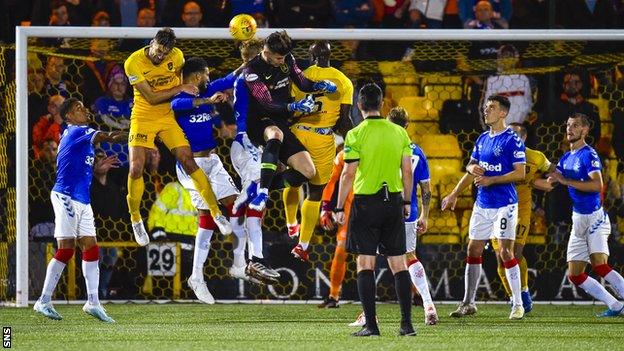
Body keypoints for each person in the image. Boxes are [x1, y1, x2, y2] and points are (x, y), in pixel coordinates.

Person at [171, 56, 269, 303]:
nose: (208, 77)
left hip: (213, 161)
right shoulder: (177, 96)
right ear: (196, 75)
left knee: (238, 206)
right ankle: (196, 277)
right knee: (206, 219)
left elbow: (230, 78)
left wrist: (252, 59)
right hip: (190, 165)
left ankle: (239, 264)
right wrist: (208, 100)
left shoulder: (209, 88)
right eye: (206, 73)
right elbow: (179, 106)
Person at [123, 27, 231, 248]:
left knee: (188, 159)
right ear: (152, 42)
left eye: (165, 53)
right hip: (143, 117)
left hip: (167, 117)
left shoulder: (177, 56)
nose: (160, 56)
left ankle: (216, 212)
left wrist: (202, 98)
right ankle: (136, 219)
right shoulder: (133, 63)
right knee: (136, 167)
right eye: (158, 50)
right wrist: (181, 88)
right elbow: (152, 98)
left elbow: (186, 88)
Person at [33, 97, 127, 322]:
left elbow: (76, 166)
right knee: (66, 249)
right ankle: (43, 300)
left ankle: (93, 302)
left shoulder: (79, 138)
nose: (84, 110)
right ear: (68, 117)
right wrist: (137, 129)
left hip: (83, 200)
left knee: (91, 247)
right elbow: (110, 136)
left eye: (83, 106)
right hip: (66, 195)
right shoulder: (77, 131)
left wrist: (96, 169)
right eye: (78, 108)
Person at [333, 83, 415, 337]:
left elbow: (348, 174)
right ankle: (406, 325)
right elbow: (408, 171)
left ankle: (371, 325)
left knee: (365, 264)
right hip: (393, 201)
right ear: (382, 104)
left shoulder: (355, 134)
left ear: (359, 105)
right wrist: (406, 202)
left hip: (366, 204)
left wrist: (338, 206)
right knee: (399, 264)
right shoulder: (399, 133)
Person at [345, 106, 439, 327]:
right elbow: (426, 188)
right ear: (407, 126)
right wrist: (425, 215)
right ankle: (428, 305)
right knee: (409, 257)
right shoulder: (417, 151)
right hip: (408, 210)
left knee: (367, 261)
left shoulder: (378, 143)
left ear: (387, 122)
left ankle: (369, 316)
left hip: (377, 207)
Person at [441, 95, 526, 320]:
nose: (486, 111)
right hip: (482, 204)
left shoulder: (512, 140)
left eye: (491, 108)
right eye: (486, 107)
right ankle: (468, 303)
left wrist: (491, 180)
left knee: (506, 252)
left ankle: (517, 304)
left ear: (503, 113)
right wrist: (453, 194)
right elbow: (472, 168)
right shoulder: (482, 138)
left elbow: (521, 173)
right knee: (473, 250)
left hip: (505, 205)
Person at [238, 30, 337, 213]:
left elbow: (303, 83)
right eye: (277, 58)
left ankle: (257, 186)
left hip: (281, 121)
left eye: (283, 57)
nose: (281, 61)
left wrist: (319, 85)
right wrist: (294, 106)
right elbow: (267, 103)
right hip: (259, 121)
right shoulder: (251, 70)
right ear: (266, 53)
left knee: (308, 171)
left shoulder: (287, 59)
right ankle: (263, 193)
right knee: (275, 133)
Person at [547, 113, 624, 317]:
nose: (569, 129)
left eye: (575, 126)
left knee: (600, 265)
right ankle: (616, 305)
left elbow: (597, 185)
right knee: (575, 275)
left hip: (594, 218)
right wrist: (525, 180)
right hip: (578, 220)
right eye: (568, 125)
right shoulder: (566, 157)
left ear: (584, 130)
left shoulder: (588, 154)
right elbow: (549, 183)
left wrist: (565, 182)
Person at [284, 41, 354, 261]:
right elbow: (344, 122)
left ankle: (291, 222)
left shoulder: (301, 76)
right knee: (315, 191)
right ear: (330, 55)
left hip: (297, 133)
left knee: (294, 182)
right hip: (323, 138)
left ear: (310, 55)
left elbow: (289, 110)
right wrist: (354, 140)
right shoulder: (344, 81)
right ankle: (302, 245)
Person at [228, 38, 280, 284]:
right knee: (257, 193)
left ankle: (255, 260)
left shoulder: (245, 79)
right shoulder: (248, 80)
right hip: (245, 142)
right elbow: (270, 105)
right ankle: (238, 205)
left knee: (258, 207)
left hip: (251, 143)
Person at [490, 122, 554, 313]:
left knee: (514, 255)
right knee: (501, 259)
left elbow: (554, 172)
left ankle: (523, 294)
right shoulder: (496, 153)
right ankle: (513, 296)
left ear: (524, 138)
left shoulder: (535, 157)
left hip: (521, 211)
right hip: (497, 208)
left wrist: (547, 182)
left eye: (514, 135)